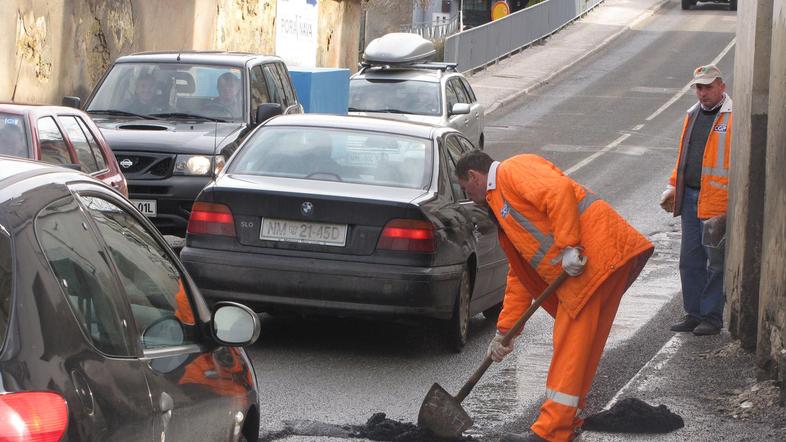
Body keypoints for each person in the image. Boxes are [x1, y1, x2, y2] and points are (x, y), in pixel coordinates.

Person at [456, 151, 653, 442]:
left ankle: (550, 432)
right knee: (581, 349)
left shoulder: (511, 171)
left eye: (465, 188)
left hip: (591, 259)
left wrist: (569, 246)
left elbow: (558, 191)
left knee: (570, 346)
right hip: (597, 262)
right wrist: (505, 331)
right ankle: (566, 422)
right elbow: (520, 275)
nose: (468, 195)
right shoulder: (501, 205)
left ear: (474, 177)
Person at [659, 64, 732, 337]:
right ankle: (694, 313)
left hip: (717, 202)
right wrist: (672, 186)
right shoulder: (692, 114)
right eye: (699, 88)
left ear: (721, 87)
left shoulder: (733, 117)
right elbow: (684, 158)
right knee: (689, 259)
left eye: (708, 87)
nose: (703, 93)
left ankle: (712, 318)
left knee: (715, 262)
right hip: (690, 197)